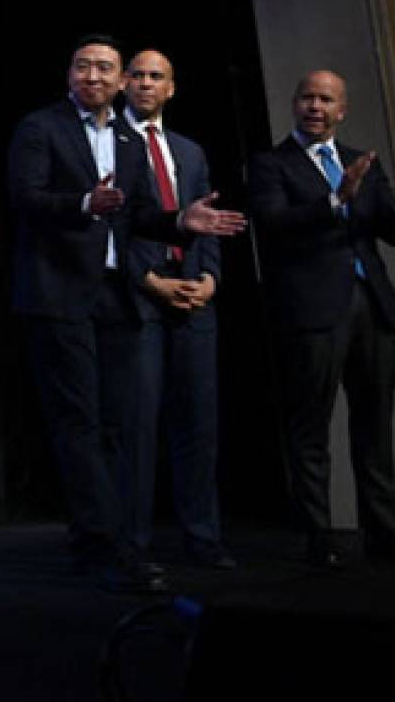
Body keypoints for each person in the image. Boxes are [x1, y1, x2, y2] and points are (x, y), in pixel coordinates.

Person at [6, 35, 245, 594]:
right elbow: (26, 199)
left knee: (122, 424)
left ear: (120, 82)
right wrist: (84, 204)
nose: (93, 75)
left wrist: (182, 221)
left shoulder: (128, 142)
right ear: (69, 75)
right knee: (80, 424)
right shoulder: (40, 129)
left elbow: (139, 217)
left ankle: (115, 541)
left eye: (105, 68)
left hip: (117, 296)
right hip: (59, 294)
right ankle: (103, 544)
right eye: (83, 65)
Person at [245, 69, 395, 569]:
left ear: (342, 110)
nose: (315, 106)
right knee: (310, 428)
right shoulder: (271, 164)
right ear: (295, 105)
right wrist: (335, 200)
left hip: (372, 307)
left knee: (374, 426)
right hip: (313, 311)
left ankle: (384, 535)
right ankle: (319, 538)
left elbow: (394, 235)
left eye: (326, 100)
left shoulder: (360, 161)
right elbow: (273, 224)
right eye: (307, 98)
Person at [118, 50, 235, 569]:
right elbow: (115, 225)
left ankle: (203, 537)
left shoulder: (189, 150)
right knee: (138, 427)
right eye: (137, 75)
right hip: (140, 298)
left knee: (198, 425)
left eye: (156, 77)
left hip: (194, 299)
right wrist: (150, 282)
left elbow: (206, 221)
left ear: (171, 88)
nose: (145, 84)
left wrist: (209, 279)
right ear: (124, 83)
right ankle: (135, 546)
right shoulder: (111, 144)